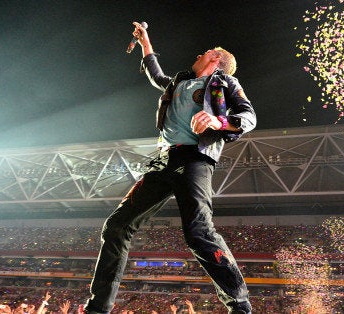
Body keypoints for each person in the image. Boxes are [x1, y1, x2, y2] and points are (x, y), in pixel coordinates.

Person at [83, 21, 256, 314]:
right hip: (163, 162)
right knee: (116, 226)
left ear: (215, 59)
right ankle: (98, 308)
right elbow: (156, 75)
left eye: (205, 53)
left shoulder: (223, 83)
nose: (198, 54)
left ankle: (239, 305)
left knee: (198, 234)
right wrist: (145, 43)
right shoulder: (179, 81)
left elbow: (248, 116)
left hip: (195, 160)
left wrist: (218, 121)